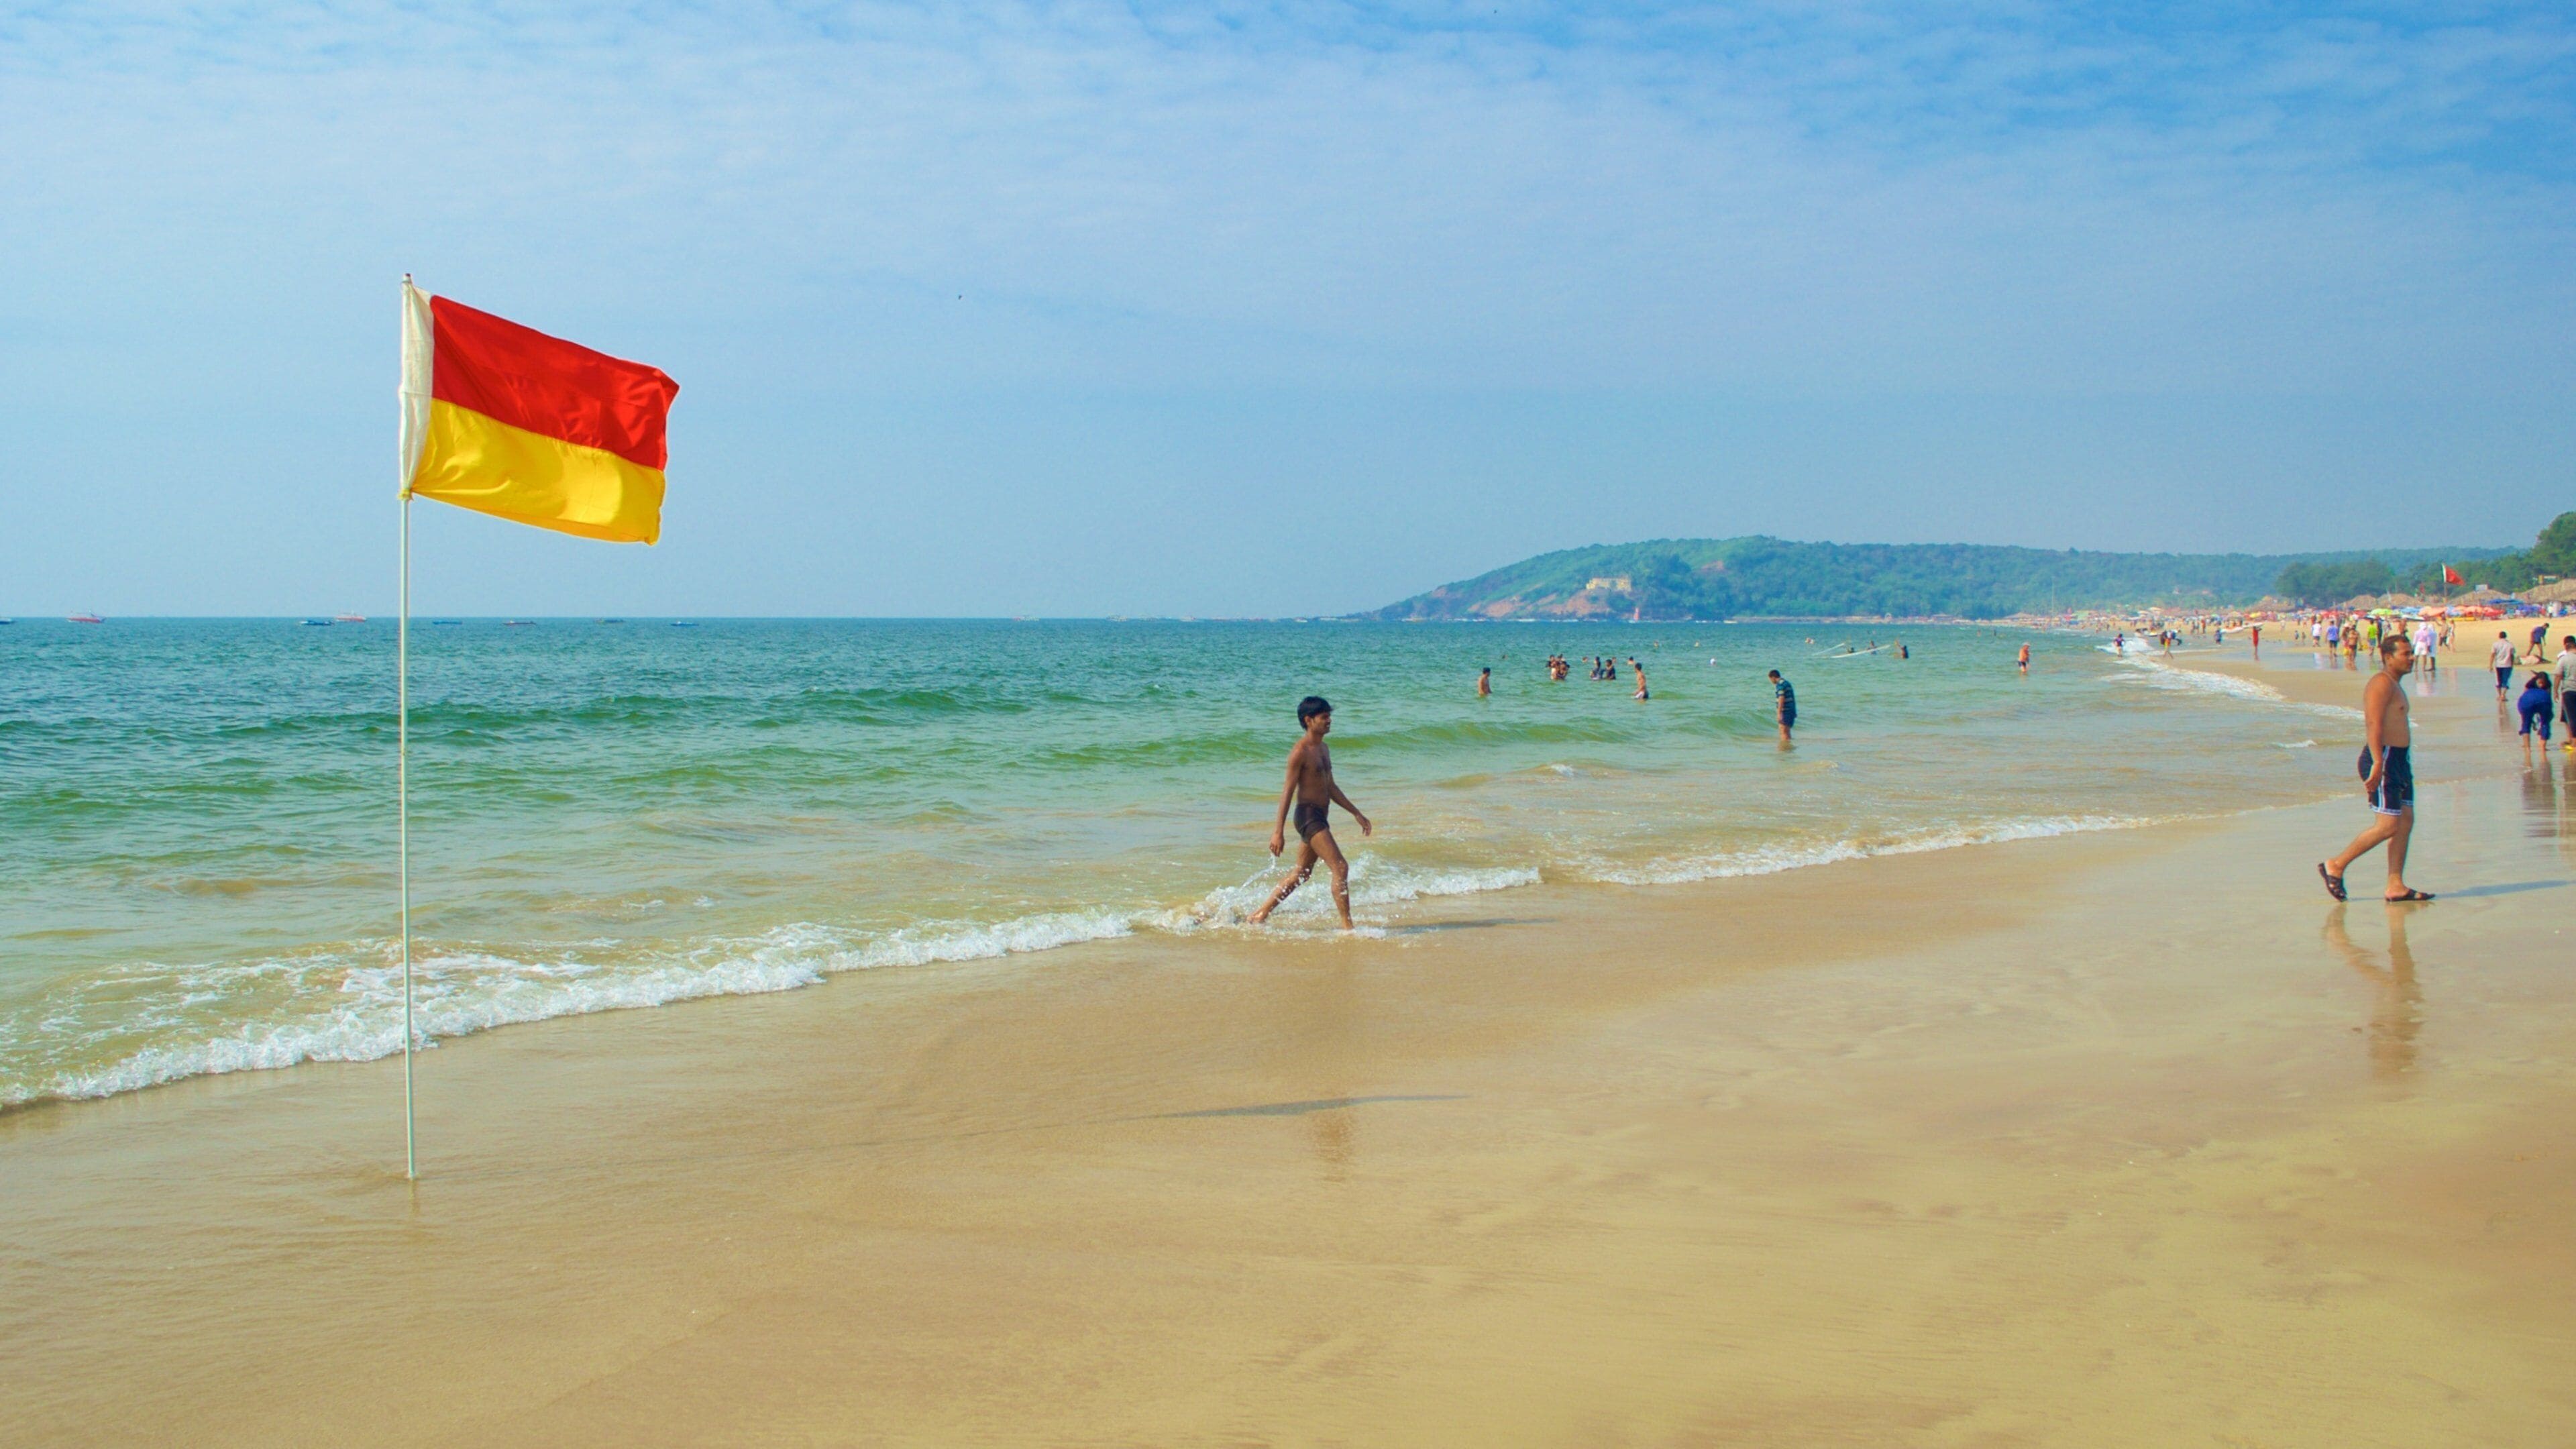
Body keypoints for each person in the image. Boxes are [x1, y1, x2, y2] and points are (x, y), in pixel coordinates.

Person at [2320, 633, 2432, 903]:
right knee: (2388, 825)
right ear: (2388, 657)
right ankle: (2336, 865)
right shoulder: (2380, 683)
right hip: (2384, 758)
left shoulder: (2395, 684)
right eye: (2405, 654)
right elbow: (2373, 723)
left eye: (2411, 653)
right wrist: (2379, 762)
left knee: (2405, 822)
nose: (2412, 658)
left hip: (2399, 760)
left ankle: (2396, 885)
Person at [1250, 696, 1373, 930]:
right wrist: (1278, 832)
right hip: (1308, 817)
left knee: (1302, 873)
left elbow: (1331, 787)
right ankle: (1348, 928)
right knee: (1340, 867)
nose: (1329, 720)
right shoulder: (1300, 752)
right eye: (1324, 717)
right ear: (1309, 720)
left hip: (1320, 816)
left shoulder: (1324, 749)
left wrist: (1356, 813)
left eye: (1329, 716)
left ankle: (1260, 914)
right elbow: (1287, 792)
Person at [2517, 671, 2555, 747]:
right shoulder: (2530, 683)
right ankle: (2527, 746)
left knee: (2546, 720)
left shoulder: (2548, 684)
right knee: (2528, 722)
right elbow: (2525, 696)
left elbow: (2548, 697)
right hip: (2531, 702)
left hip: (2541, 702)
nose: (2541, 685)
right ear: (2537, 679)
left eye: (2543, 683)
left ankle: (2541, 743)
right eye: (2540, 683)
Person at [2557, 635, 2576, 751]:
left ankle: (2572, 740)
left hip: (2568, 689)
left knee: (2568, 716)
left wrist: (2555, 690)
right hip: (2568, 689)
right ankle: (2571, 739)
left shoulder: (2562, 657)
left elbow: (2558, 674)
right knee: (2568, 716)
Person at [1769, 669, 1795, 743]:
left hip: (1785, 711)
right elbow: (1792, 697)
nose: (1771, 682)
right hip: (1791, 710)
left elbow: (1781, 697)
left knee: (1783, 731)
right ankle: (1788, 747)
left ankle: (1784, 748)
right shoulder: (1787, 683)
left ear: (1773, 678)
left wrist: (1779, 713)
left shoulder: (1780, 685)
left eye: (1770, 679)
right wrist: (1794, 711)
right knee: (1787, 731)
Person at [2491, 631, 2518, 698]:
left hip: (2498, 665)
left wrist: (2490, 665)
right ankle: (2503, 695)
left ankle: (2499, 695)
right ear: (2506, 636)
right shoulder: (2510, 645)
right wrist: (2512, 664)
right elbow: (2512, 655)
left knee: (2498, 681)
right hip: (2507, 665)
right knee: (2506, 680)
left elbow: (2493, 655)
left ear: (2499, 636)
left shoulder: (2495, 644)